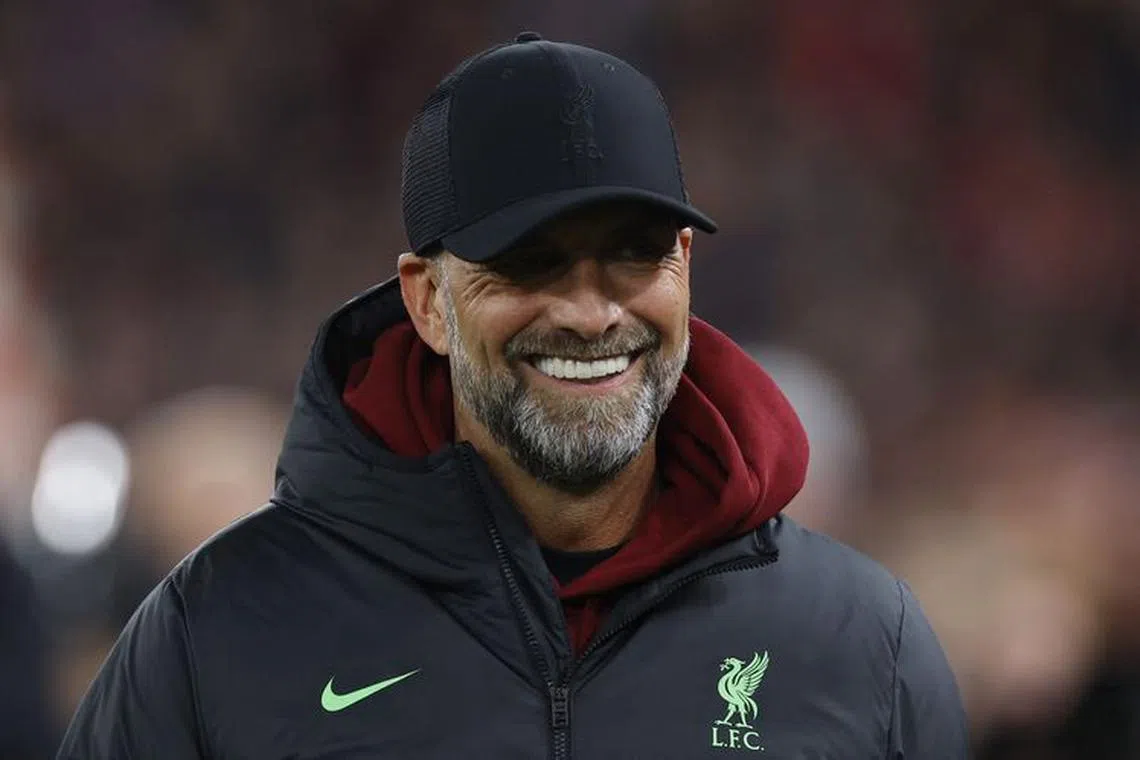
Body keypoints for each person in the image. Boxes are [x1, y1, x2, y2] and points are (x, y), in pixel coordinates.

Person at [57, 33, 968, 758]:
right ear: (427, 299)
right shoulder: (220, 628)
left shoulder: (859, 643)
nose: (590, 309)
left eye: (635, 251)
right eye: (528, 262)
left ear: (684, 268)